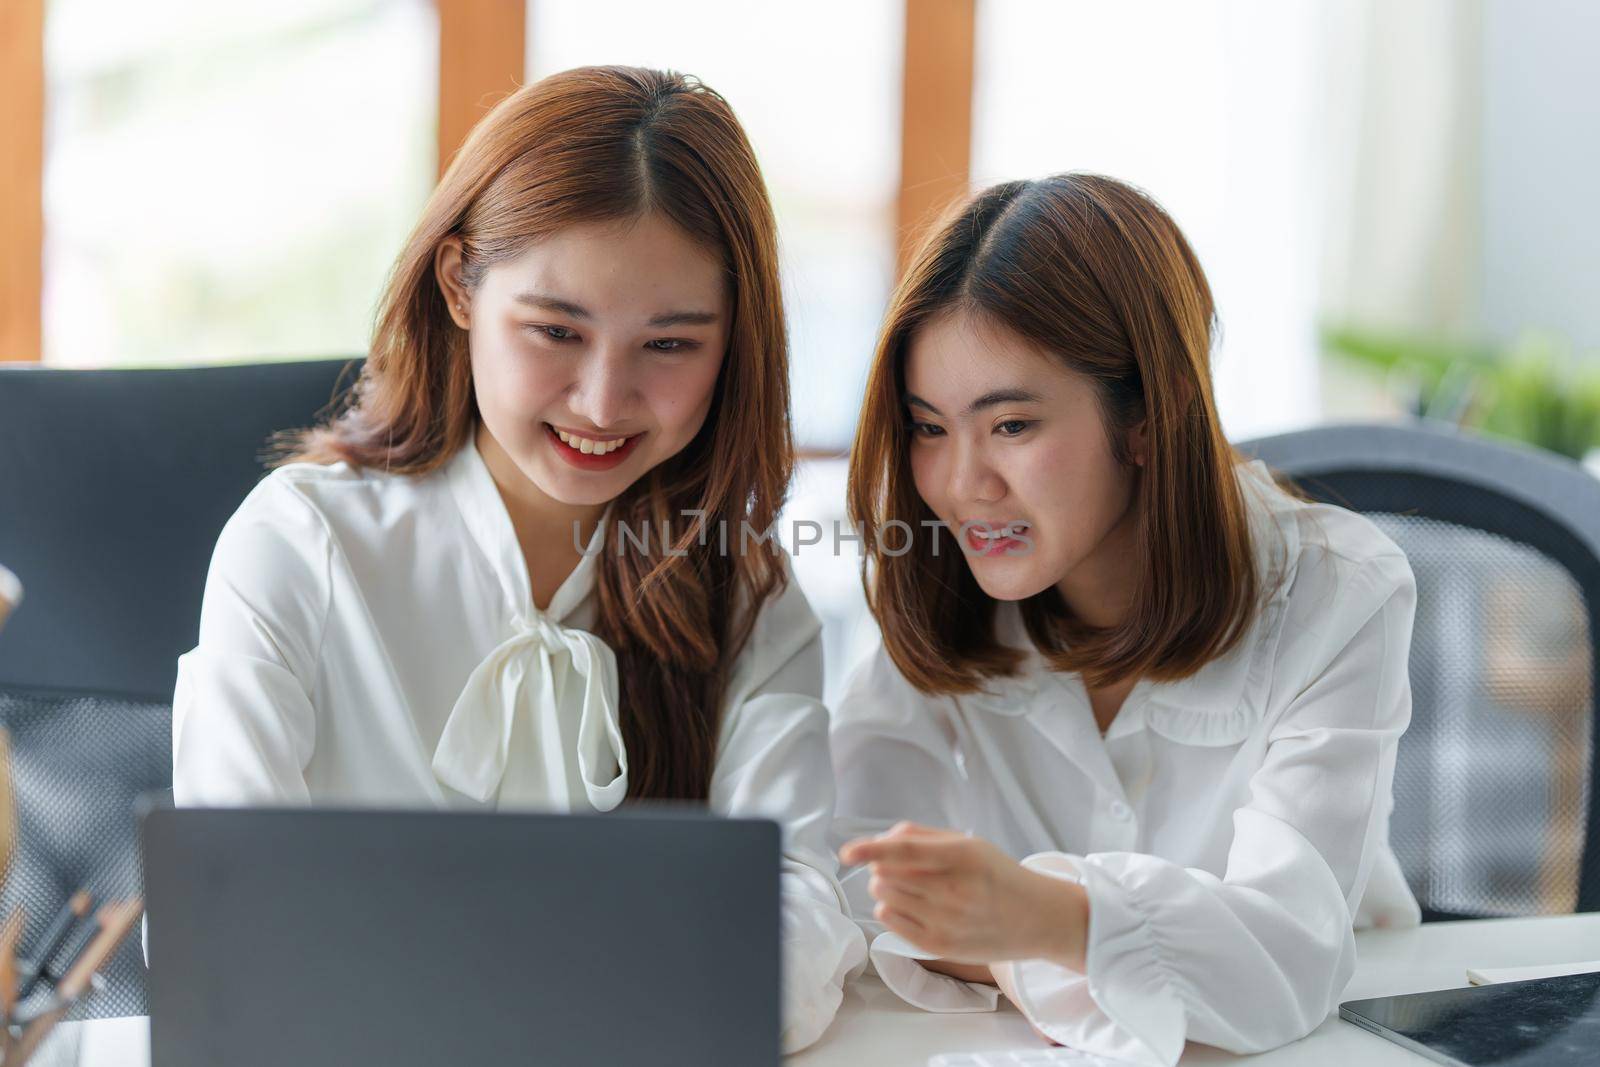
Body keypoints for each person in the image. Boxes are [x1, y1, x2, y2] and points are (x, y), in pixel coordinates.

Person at [173, 65, 864, 1053]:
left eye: (668, 344)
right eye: (555, 330)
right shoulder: (301, 543)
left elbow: (800, 910)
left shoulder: (744, 589)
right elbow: (222, 906)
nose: (601, 400)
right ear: (459, 284)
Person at [832, 173, 1419, 1065]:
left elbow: (1289, 960)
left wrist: (1041, 920)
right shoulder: (932, 577)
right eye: (929, 428)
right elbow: (861, 888)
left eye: (1013, 425)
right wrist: (1085, 951)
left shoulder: (1340, 589)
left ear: (1154, 409)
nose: (962, 484)